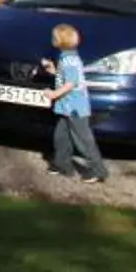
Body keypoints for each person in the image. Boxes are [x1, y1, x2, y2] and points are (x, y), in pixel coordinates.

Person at [47, 22, 111, 184]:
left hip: (74, 107)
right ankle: (62, 164)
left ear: (61, 40)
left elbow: (71, 83)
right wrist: (54, 71)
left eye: (54, 37)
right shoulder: (68, 57)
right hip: (66, 106)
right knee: (62, 136)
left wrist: (54, 94)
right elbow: (67, 77)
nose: (52, 39)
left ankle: (97, 170)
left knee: (82, 139)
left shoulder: (68, 60)